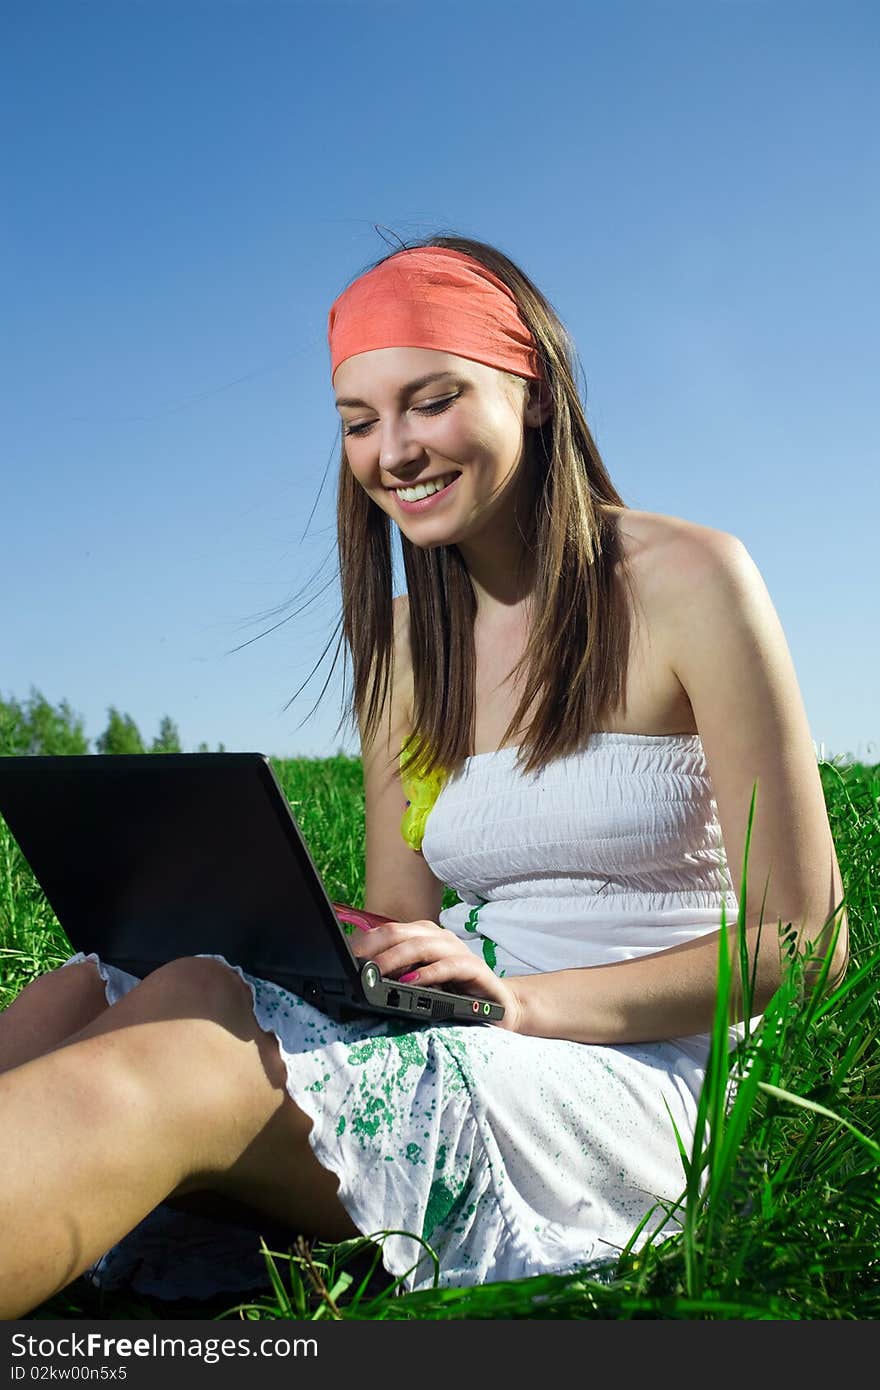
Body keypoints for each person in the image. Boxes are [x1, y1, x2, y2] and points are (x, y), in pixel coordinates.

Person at [0, 234, 849, 1319]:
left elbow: (808, 940)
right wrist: (309, 938)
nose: (392, 450)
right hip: (472, 1024)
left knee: (194, 1046)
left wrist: (526, 1004)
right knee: (102, 980)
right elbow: (398, 917)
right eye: (359, 421)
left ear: (533, 392)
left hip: (636, 1069)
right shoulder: (404, 649)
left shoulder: (689, 579)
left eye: (431, 401)